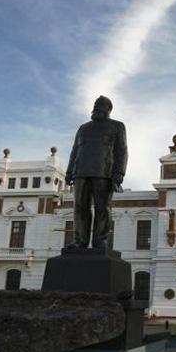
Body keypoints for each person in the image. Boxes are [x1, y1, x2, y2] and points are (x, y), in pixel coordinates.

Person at [65, 96, 128, 249]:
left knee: (103, 208)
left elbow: (122, 151)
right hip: (80, 172)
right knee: (80, 208)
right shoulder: (83, 128)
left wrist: (119, 174)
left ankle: (100, 240)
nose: (96, 107)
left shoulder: (117, 126)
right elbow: (74, 151)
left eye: (100, 105)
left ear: (108, 109)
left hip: (103, 173)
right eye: (95, 105)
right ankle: (80, 241)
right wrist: (69, 172)